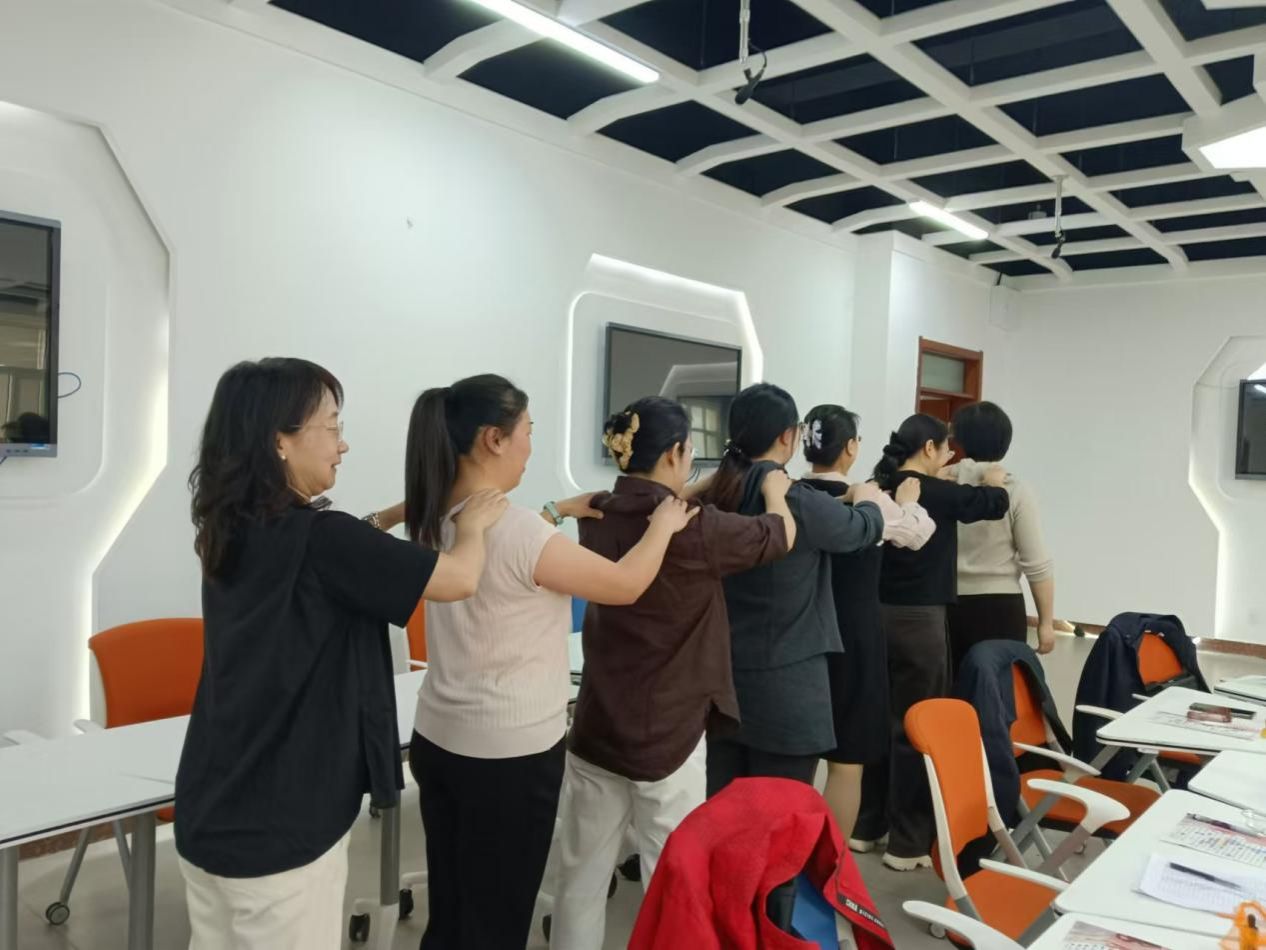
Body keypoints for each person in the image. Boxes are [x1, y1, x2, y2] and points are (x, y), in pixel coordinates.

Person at [175, 358, 508, 950]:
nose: (343, 444)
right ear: (279, 440)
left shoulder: (230, 526)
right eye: (331, 427)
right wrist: (475, 525)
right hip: (284, 825)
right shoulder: (323, 539)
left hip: (212, 800)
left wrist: (396, 513)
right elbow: (459, 579)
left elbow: (339, 551)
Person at [403, 374, 697, 950]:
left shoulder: (443, 513)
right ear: (493, 439)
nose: (530, 445)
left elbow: (512, 552)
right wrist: (663, 525)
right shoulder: (515, 531)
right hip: (506, 758)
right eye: (528, 431)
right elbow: (624, 584)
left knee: (455, 908)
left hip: (439, 741)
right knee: (496, 922)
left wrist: (557, 509)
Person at [551, 396, 796, 950]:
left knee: (581, 877)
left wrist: (695, 488)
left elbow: (650, 505)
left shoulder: (595, 512)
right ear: (677, 453)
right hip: (669, 731)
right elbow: (778, 536)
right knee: (673, 879)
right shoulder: (698, 528)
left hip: (598, 723)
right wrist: (777, 494)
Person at [697, 383, 886, 797]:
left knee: (725, 809)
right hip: (787, 684)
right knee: (780, 816)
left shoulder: (715, 494)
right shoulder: (793, 499)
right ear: (788, 436)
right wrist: (868, 499)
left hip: (723, 681)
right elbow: (861, 530)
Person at [851, 413, 1009, 871]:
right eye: (945, 450)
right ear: (928, 450)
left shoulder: (878, 486)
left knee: (879, 720)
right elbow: (992, 503)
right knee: (917, 726)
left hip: (875, 617)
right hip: (919, 622)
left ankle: (866, 826)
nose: (949, 457)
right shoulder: (934, 492)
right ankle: (907, 843)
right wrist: (993, 479)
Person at [799, 404, 935, 847]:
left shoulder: (791, 495)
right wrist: (909, 501)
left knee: (795, 760)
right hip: (854, 636)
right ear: (851, 448)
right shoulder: (868, 498)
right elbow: (918, 534)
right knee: (847, 761)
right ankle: (830, 864)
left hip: (799, 635)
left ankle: (787, 857)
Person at [944, 401, 1056, 673]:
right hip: (1000, 608)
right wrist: (1046, 622)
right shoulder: (1014, 489)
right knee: (998, 690)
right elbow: (1036, 563)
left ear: (959, 440)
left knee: (948, 691)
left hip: (944, 605)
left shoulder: (939, 482)